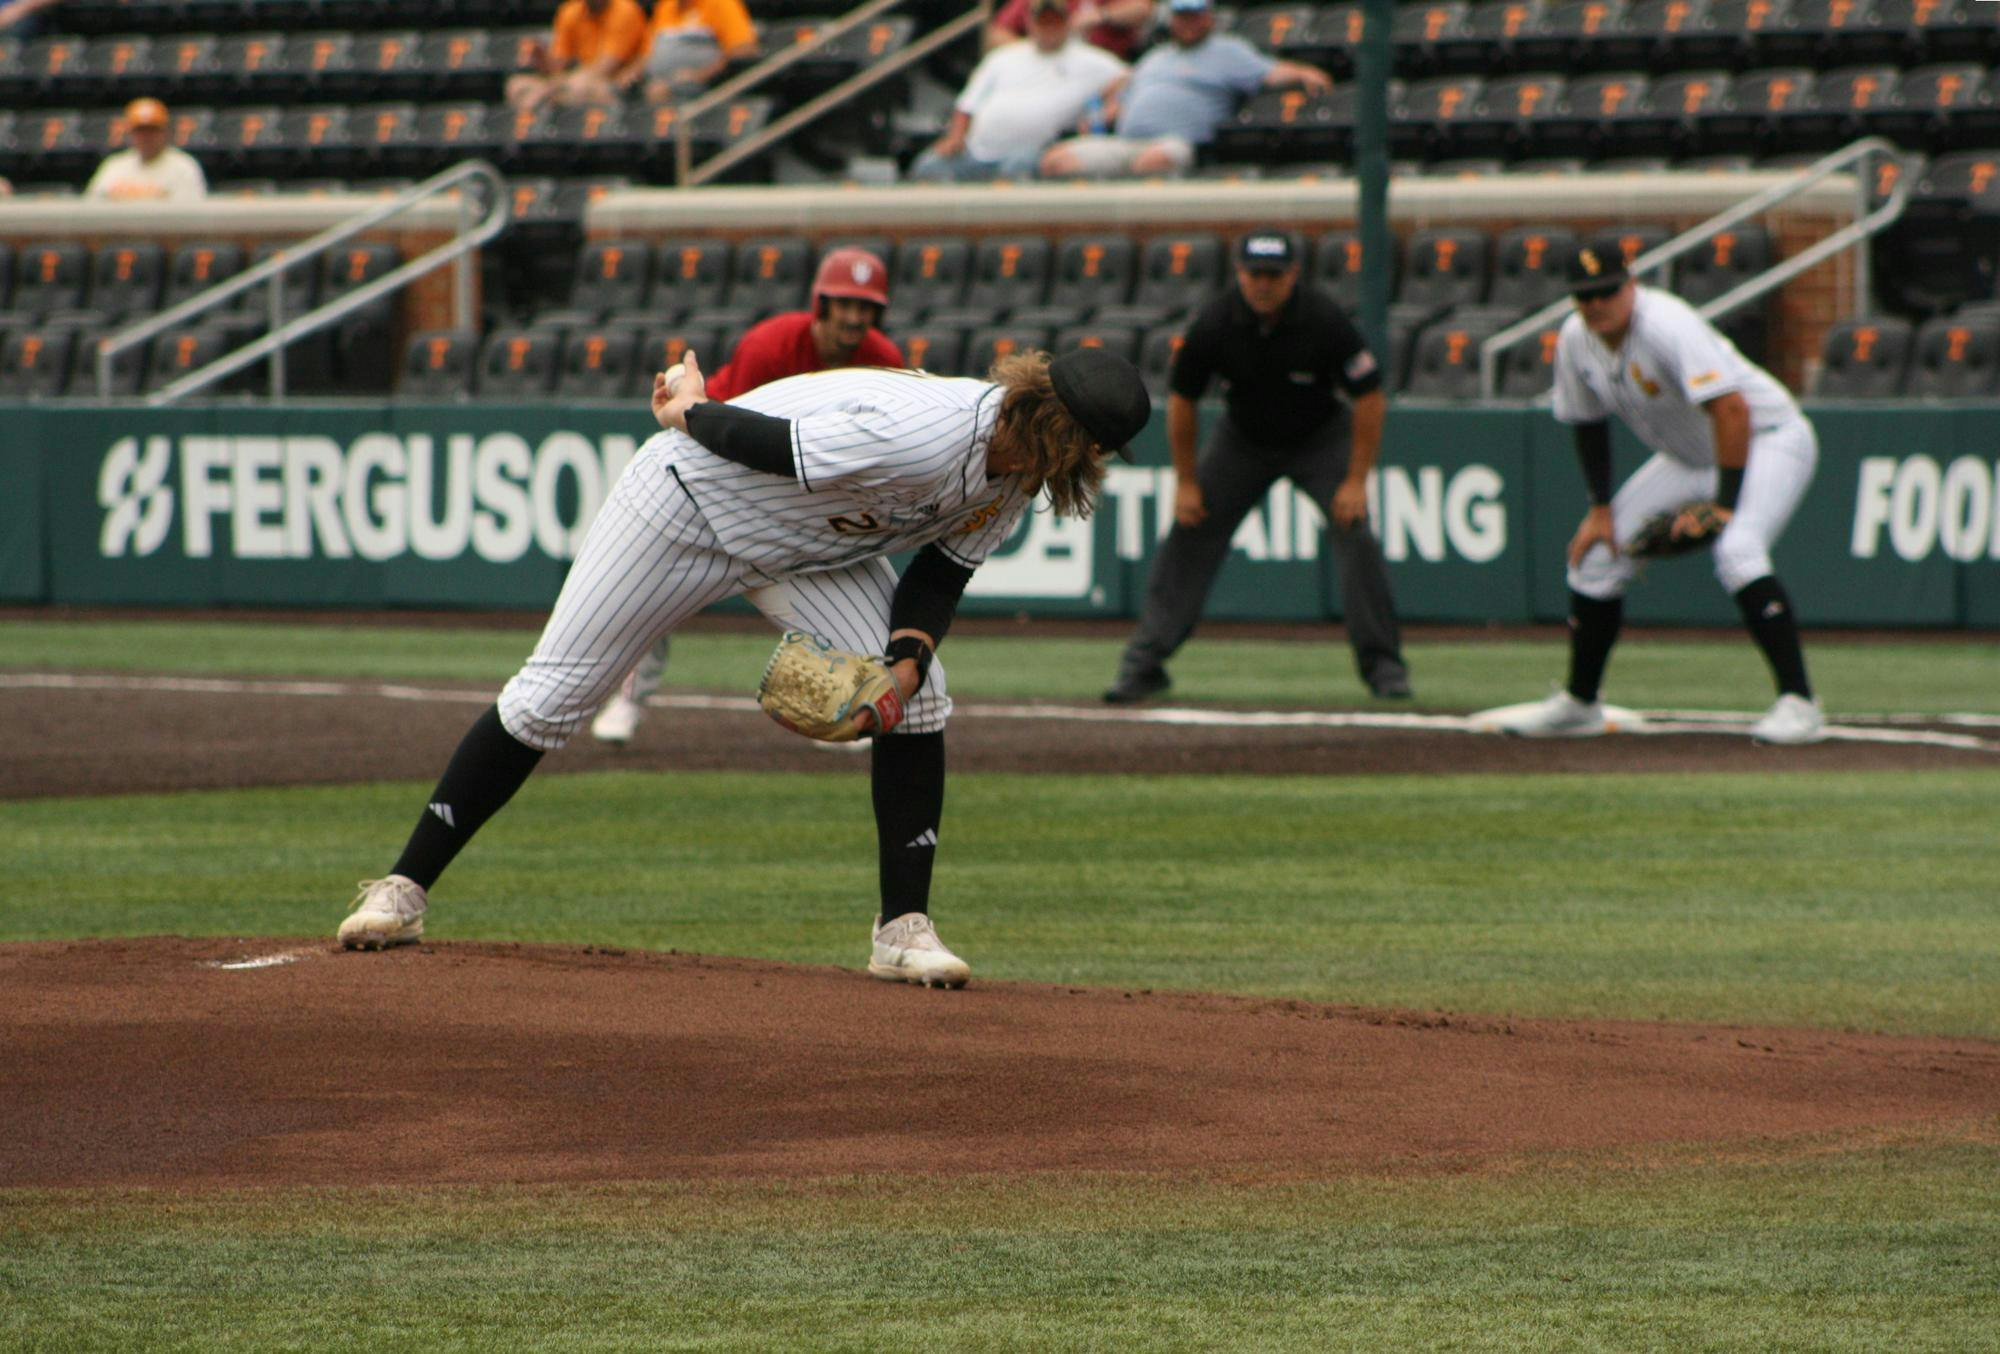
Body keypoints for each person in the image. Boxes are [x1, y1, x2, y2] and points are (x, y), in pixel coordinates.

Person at [338, 345, 1151, 990]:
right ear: (1066, 437)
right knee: (554, 698)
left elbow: (940, 574)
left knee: (925, 699)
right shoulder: (925, 431)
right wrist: (691, 410)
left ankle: (903, 930)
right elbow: (777, 444)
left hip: (806, 550)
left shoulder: (1011, 478)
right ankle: (403, 890)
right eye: (1096, 449)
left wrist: (902, 666)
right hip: (688, 504)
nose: (1094, 464)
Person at [1487, 241, 1824, 744]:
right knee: (1597, 556)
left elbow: (1732, 409)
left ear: (1631, 285)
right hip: (1691, 459)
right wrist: (1599, 510)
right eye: (1585, 295)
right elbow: (1586, 422)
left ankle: (1800, 704)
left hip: (1767, 441)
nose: (1597, 303)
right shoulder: (1576, 340)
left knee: (1737, 549)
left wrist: (1725, 506)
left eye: (1607, 291)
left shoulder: (1667, 324)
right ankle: (1581, 704)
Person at [590, 247, 907, 745]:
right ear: (820, 304)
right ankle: (628, 698)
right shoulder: (772, 344)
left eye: (864, 307)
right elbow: (717, 430)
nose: (853, 316)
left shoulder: (884, 361)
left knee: (840, 594)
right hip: (711, 471)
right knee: (648, 591)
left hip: (799, 492)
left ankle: (844, 704)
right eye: (843, 304)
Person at [1104, 230, 1412, 704]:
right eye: (1254, 274)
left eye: (1273, 274)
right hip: (1242, 440)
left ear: (1292, 275)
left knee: (1356, 534)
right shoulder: (1214, 322)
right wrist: (1185, 481)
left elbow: (1369, 397)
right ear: (1239, 274)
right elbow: (1183, 399)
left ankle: (1385, 669)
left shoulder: (1324, 319)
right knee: (1190, 529)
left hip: (1320, 438)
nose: (1263, 284)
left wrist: (1355, 480)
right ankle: (1144, 666)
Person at [1038, 0, 1329, 180]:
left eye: (1194, 14)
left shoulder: (1228, 51)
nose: (1188, 21)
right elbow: (1120, 100)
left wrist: (1306, 72)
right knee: (1056, 160)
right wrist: (1102, 113)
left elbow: (1271, 72)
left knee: (1152, 163)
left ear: (1208, 16)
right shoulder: (1155, 56)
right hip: (1125, 143)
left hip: (1176, 144)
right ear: (1172, 19)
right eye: (1181, 14)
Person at [911, 0, 1126, 184]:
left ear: (1066, 21)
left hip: (1034, 152)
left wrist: (1110, 105)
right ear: (1030, 22)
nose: (1049, 26)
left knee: (1018, 169)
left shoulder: (1091, 60)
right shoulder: (1002, 57)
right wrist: (955, 137)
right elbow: (967, 104)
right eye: (1043, 20)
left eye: (1055, 20)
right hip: (976, 152)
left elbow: (1129, 78)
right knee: (928, 166)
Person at [505, 0, 651, 111]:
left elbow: (604, 70)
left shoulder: (625, 11)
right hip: (575, 81)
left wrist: (549, 88)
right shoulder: (571, 11)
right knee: (516, 86)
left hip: (616, 85)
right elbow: (558, 65)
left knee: (577, 86)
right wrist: (541, 57)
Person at [632, 0, 760, 105]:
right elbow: (647, 54)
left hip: (702, 92)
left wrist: (699, 76)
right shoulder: (665, 6)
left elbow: (744, 50)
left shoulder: (721, 3)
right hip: (656, 89)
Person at [84, 98, 207, 202]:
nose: (146, 137)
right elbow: (91, 207)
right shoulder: (113, 166)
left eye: (152, 130)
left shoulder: (183, 167)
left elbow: (189, 217)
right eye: (140, 131)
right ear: (130, 133)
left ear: (165, 132)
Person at [983, 0, 1153, 61]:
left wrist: (1101, 15)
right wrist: (1039, 48)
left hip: (1100, 65)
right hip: (1048, 70)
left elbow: (1143, 8)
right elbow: (996, 32)